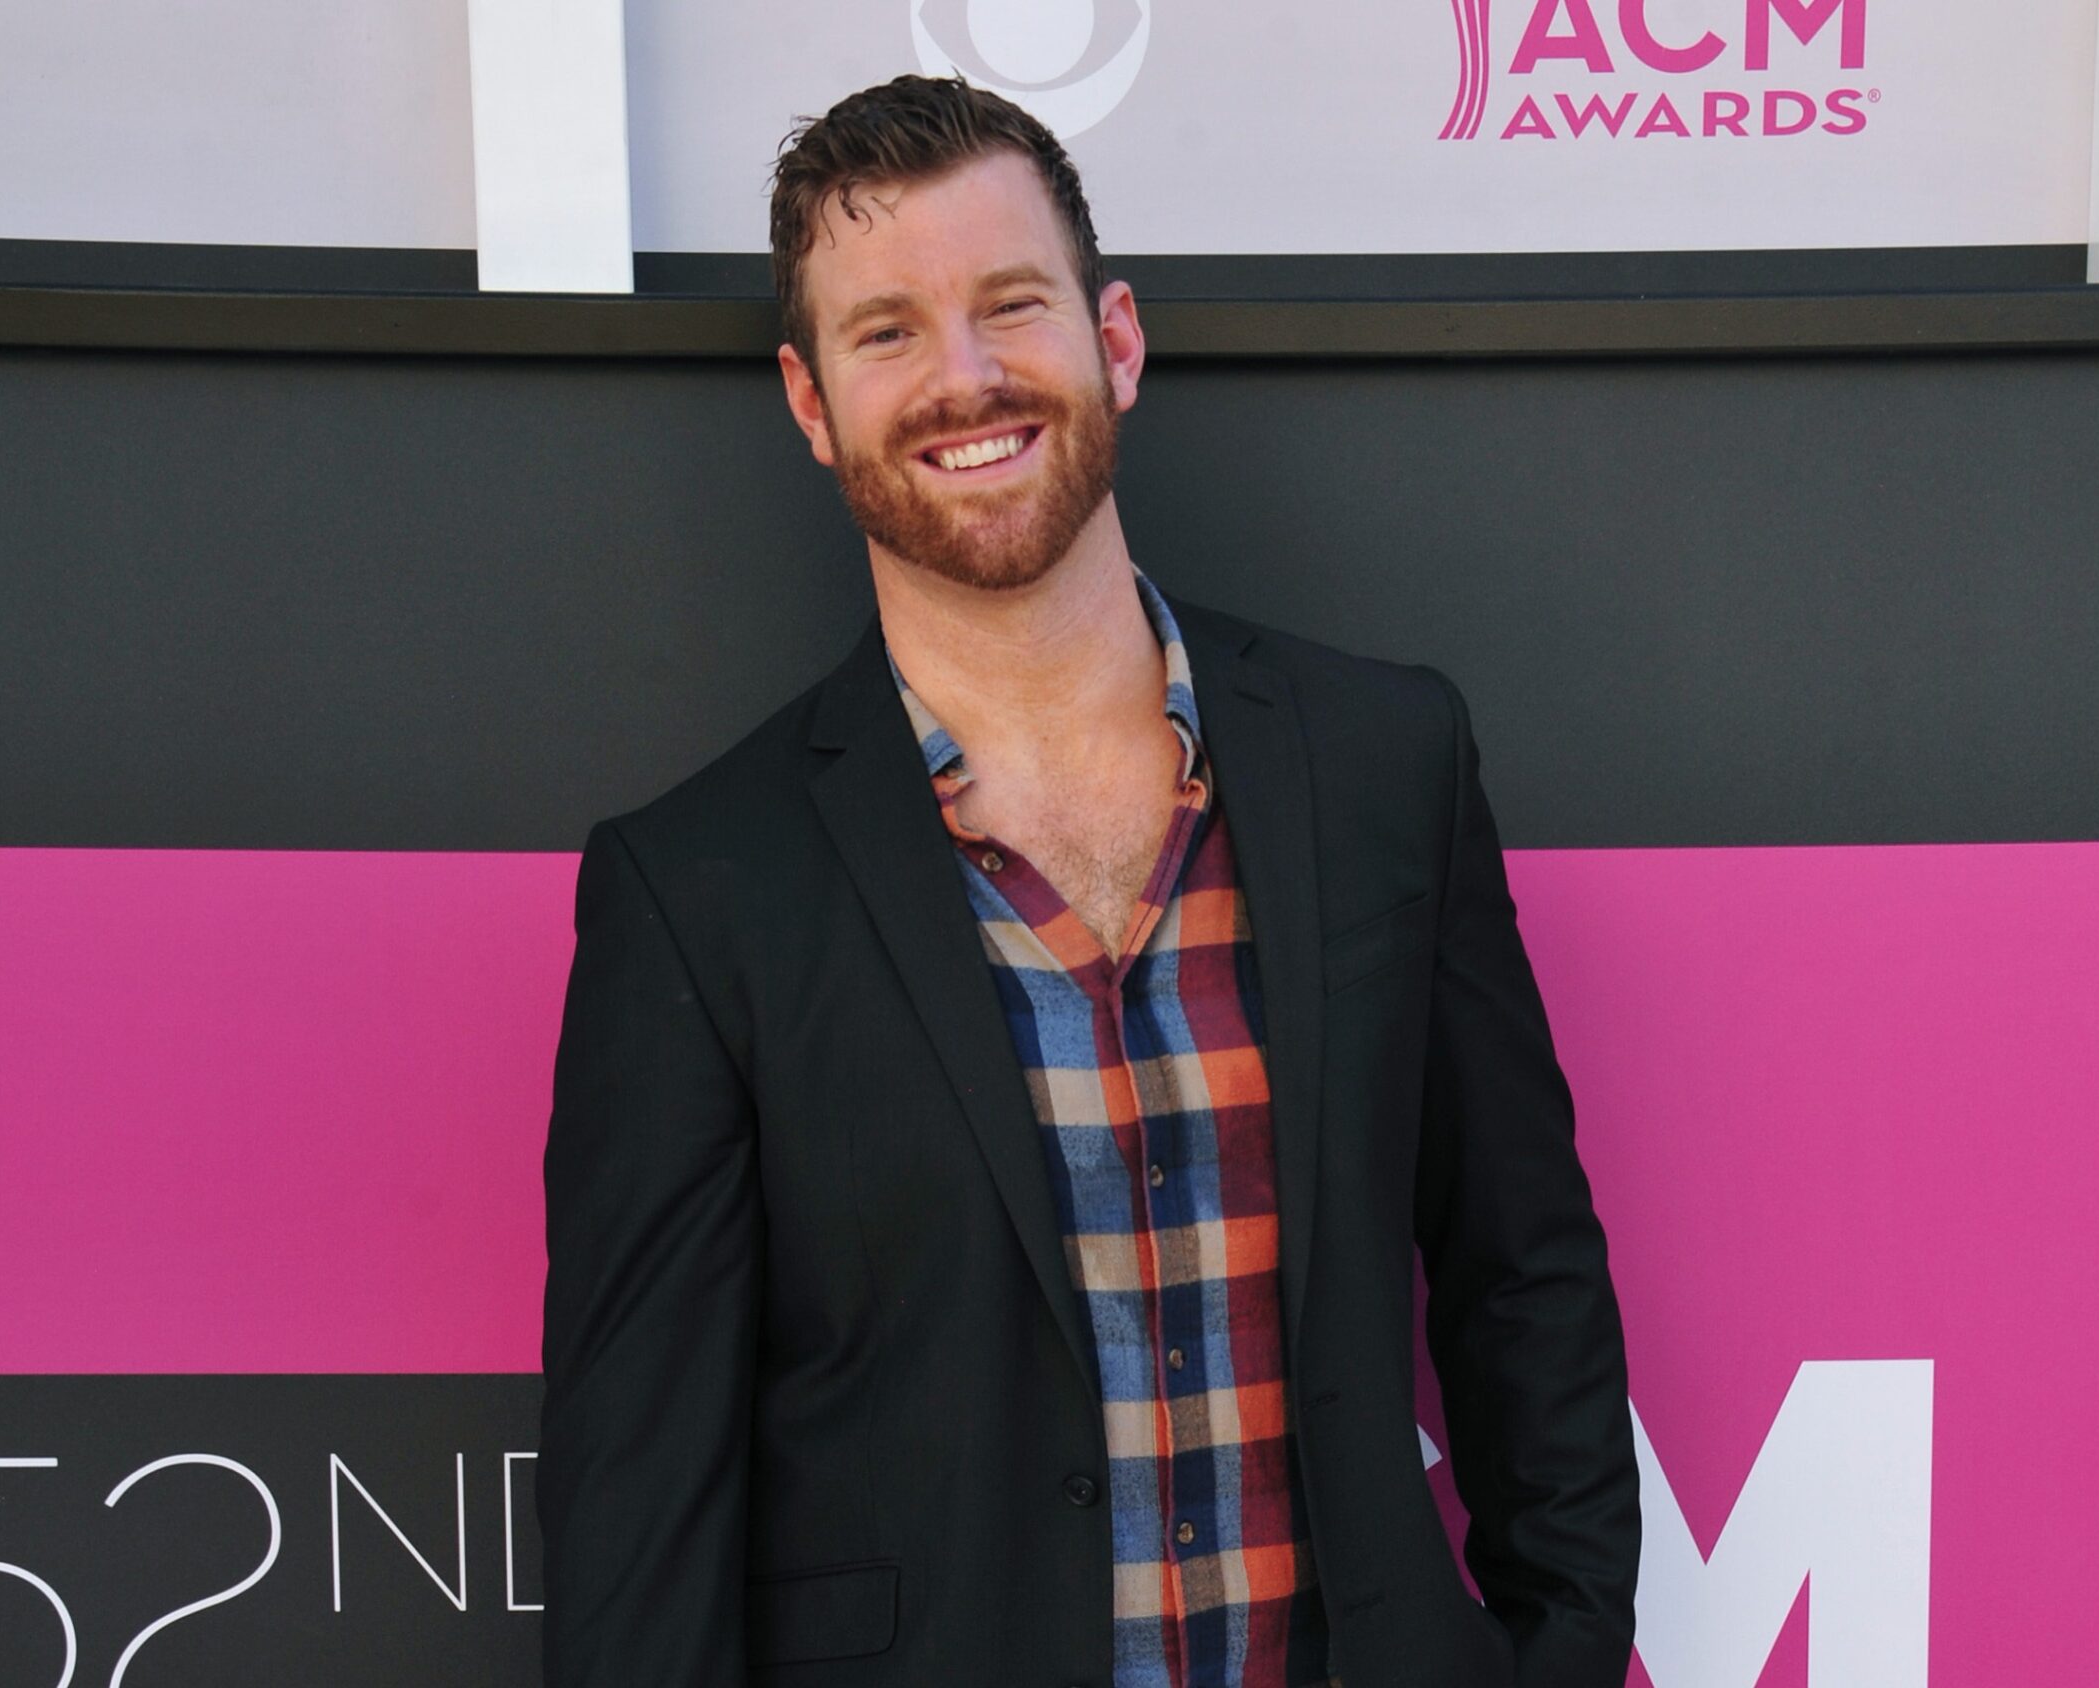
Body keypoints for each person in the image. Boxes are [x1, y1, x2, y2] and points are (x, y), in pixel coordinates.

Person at [539, 74, 1638, 1688]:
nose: (963, 376)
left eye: (1010, 305)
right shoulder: (697, 889)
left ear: (1114, 337)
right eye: (888, 331)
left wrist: (1563, 1651)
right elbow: (642, 1513)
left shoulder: (1385, 761)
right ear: (809, 401)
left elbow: (1521, 1275)